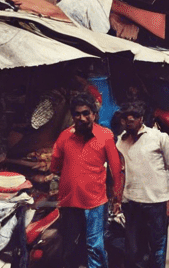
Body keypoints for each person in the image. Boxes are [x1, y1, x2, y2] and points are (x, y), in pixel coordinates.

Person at [49, 92, 124, 268]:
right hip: (69, 202)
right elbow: (55, 166)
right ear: (72, 115)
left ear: (94, 114)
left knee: (95, 246)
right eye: (77, 114)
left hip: (95, 202)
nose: (81, 117)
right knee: (70, 246)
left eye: (86, 113)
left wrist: (117, 198)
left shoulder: (105, 135)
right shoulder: (64, 137)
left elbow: (115, 169)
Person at [116, 101, 169, 268]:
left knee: (157, 248)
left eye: (134, 116)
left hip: (157, 203)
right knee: (135, 250)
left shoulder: (159, 137)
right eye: (126, 117)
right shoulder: (119, 142)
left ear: (141, 119)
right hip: (131, 203)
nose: (130, 120)